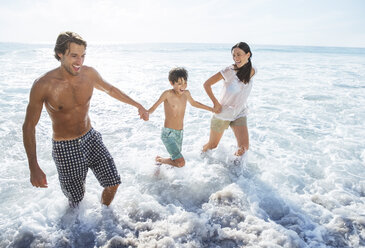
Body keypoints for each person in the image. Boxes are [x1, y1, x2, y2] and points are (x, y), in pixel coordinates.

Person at [22, 31, 149, 207]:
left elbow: (110, 89)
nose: (79, 62)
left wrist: (138, 105)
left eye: (82, 56)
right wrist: (33, 166)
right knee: (76, 200)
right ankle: (78, 230)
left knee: (113, 183)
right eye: (74, 56)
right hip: (65, 148)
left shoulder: (89, 74)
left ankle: (104, 219)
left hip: (91, 138)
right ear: (60, 54)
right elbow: (29, 126)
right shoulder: (43, 85)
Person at [148, 67, 213, 168]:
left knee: (176, 160)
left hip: (179, 133)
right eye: (179, 83)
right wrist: (146, 112)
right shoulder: (167, 94)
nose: (183, 86)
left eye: (185, 82)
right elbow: (153, 107)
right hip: (168, 133)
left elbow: (194, 103)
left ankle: (161, 167)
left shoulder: (186, 94)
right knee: (181, 162)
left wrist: (211, 109)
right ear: (171, 83)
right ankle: (159, 160)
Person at [202, 42, 256, 157]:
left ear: (248, 55)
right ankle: (200, 157)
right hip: (223, 113)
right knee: (212, 145)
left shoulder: (252, 71)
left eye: (239, 54)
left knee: (244, 148)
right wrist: (215, 103)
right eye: (234, 55)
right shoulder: (228, 71)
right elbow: (207, 84)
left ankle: (236, 172)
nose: (236, 58)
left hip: (239, 113)